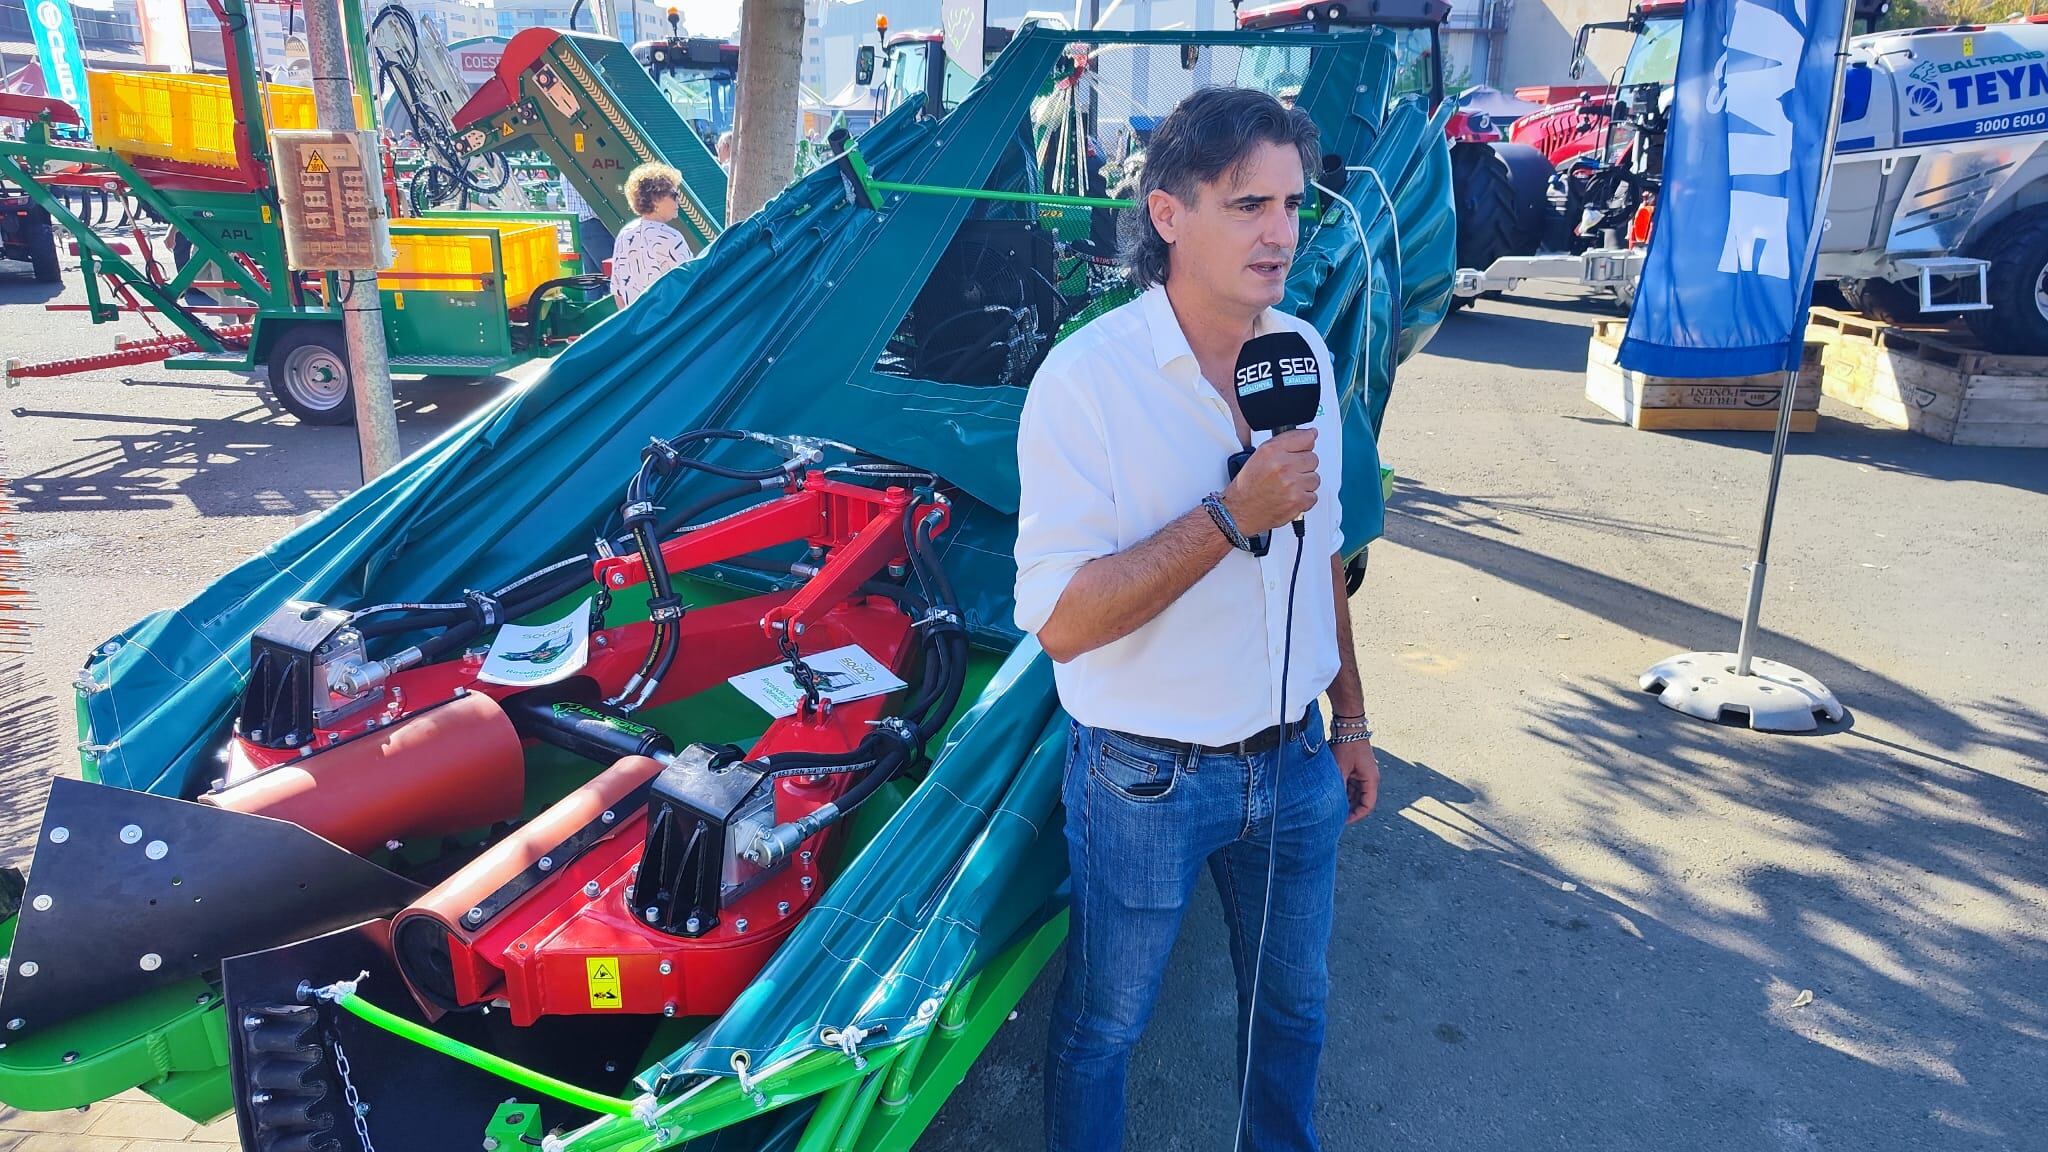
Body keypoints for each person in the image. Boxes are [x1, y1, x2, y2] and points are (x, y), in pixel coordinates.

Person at [1012, 86, 1380, 1152]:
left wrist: (1348, 719)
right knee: (1103, 1025)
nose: (1279, 233)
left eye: (1291, 204)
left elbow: (1325, 555)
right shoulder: (1085, 382)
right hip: (1144, 777)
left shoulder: (1300, 354)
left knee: (1295, 1008)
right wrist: (1229, 515)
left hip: (1298, 763)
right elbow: (1063, 623)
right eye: (1246, 206)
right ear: (1167, 215)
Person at [609, 162, 692, 307]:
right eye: (674, 195)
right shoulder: (670, 238)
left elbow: (617, 291)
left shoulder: (625, 234)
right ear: (655, 200)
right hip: (666, 324)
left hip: (635, 324)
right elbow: (691, 283)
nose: (678, 200)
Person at [558, 175, 613, 275]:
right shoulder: (583, 170)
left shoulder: (566, 170)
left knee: (593, 279)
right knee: (613, 273)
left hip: (580, 225)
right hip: (595, 225)